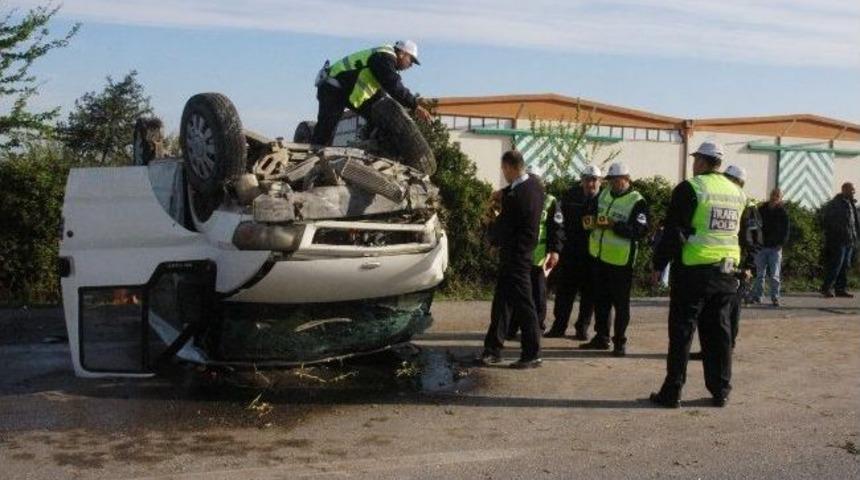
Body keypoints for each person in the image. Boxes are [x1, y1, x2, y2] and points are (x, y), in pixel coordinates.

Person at [649, 141, 747, 408]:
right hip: (726, 272)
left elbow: (674, 232)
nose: (693, 165)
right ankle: (721, 390)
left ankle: (672, 392)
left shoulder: (691, 188)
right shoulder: (737, 192)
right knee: (719, 333)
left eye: (695, 160)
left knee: (682, 331)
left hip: (694, 270)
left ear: (702, 161)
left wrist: (659, 264)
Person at [479, 150, 544, 369]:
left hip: (517, 255)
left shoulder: (518, 197)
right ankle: (493, 349)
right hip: (517, 254)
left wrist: (491, 237)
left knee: (524, 305)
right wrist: (503, 193)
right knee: (501, 303)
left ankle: (532, 353)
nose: (503, 174)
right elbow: (517, 188)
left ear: (509, 167)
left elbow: (505, 226)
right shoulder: (533, 185)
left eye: (504, 170)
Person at [578, 162, 649, 356]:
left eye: (616, 180)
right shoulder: (604, 194)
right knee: (601, 302)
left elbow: (639, 231)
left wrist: (614, 225)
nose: (612, 184)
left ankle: (620, 342)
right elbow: (593, 212)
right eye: (610, 180)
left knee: (620, 305)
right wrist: (590, 221)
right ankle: (601, 337)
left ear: (626, 179)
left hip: (621, 262)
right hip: (599, 257)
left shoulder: (637, 201)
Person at [311, 40, 433, 145]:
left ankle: (369, 145)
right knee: (326, 128)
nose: (411, 65)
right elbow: (393, 85)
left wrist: (402, 108)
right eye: (411, 60)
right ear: (402, 53)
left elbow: (381, 96)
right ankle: (313, 155)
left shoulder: (385, 61)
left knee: (379, 116)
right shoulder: (384, 58)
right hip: (333, 87)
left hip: (346, 90)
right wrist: (415, 106)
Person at [545, 165, 602, 340]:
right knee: (564, 293)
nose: (590, 183)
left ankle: (582, 328)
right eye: (587, 179)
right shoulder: (570, 195)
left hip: (592, 255)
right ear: (581, 180)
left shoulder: (604, 198)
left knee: (589, 295)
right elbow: (559, 222)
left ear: (600, 181)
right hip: (570, 253)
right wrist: (559, 247)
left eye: (594, 180)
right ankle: (559, 326)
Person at [506, 181, 564, 337]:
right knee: (517, 292)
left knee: (538, 294)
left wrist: (555, 251)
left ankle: (536, 328)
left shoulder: (550, 201)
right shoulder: (520, 197)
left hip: (540, 258)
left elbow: (557, 229)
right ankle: (511, 327)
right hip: (521, 255)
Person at [749, 188, 789, 307]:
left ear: (780, 198)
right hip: (761, 246)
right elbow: (755, 226)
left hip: (775, 248)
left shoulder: (782, 212)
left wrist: (781, 243)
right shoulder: (762, 209)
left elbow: (786, 230)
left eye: (777, 195)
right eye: (773, 194)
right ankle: (758, 296)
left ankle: (775, 297)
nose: (774, 197)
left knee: (774, 275)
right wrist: (755, 241)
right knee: (759, 274)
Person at [820, 182, 859, 298]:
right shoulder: (835, 203)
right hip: (838, 240)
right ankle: (826, 288)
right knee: (836, 265)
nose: (853, 192)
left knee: (845, 266)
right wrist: (837, 232)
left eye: (853, 190)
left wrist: (856, 236)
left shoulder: (851, 203)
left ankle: (840, 289)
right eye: (851, 190)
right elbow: (828, 220)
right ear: (844, 190)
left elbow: (854, 222)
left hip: (849, 240)